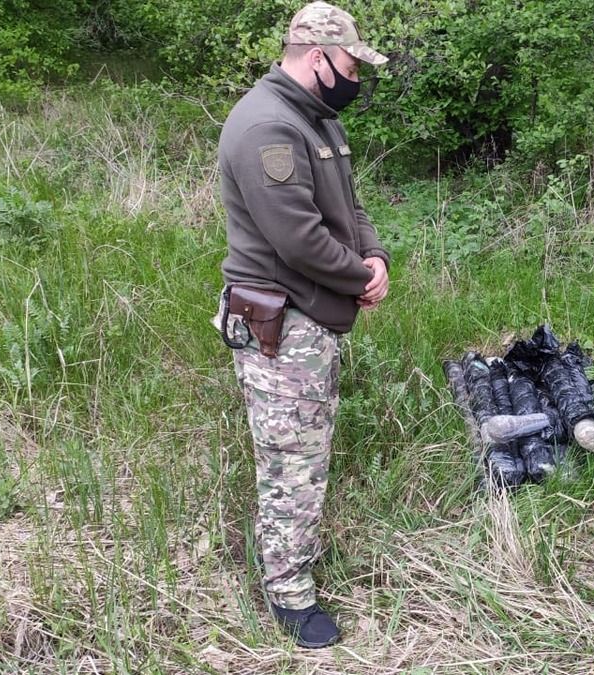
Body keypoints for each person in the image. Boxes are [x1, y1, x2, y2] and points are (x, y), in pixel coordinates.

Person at [215, 1, 390, 649]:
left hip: (310, 318)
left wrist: (374, 256)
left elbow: (350, 205)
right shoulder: (268, 126)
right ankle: (288, 591)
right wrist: (359, 276)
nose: (355, 78)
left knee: (306, 452)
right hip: (280, 324)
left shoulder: (314, 117)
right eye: (350, 65)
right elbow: (299, 239)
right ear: (318, 58)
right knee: (292, 460)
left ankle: (292, 565)